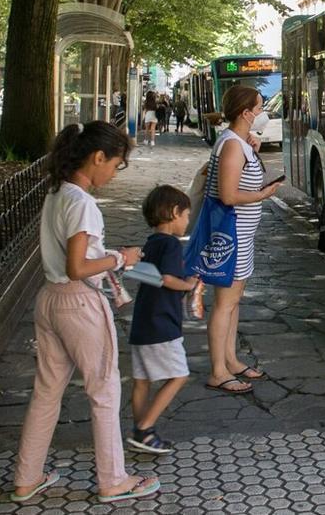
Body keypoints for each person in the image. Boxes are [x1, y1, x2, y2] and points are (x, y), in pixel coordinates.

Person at [12, 121, 160, 505]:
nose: (114, 172)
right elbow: (79, 266)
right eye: (115, 164)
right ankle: (114, 479)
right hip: (79, 302)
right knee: (105, 390)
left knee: (46, 392)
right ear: (97, 157)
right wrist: (119, 258)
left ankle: (27, 477)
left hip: (49, 299)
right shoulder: (83, 204)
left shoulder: (57, 193)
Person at [203, 85, 282, 394]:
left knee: (233, 302)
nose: (263, 113)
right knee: (224, 304)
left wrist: (254, 151)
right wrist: (263, 195)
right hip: (230, 236)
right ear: (246, 112)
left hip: (241, 235)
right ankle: (218, 370)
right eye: (260, 107)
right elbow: (227, 194)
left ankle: (231, 360)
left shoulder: (240, 143)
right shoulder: (232, 145)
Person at [127, 185, 202, 454]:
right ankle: (145, 430)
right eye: (185, 215)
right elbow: (168, 279)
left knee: (141, 381)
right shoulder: (170, 244)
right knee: (179, 375)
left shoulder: (152, 242)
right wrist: (189, 284)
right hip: (162, 325)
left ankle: (140, 431)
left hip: (142, 325)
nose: (187, 221)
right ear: (173, 213)